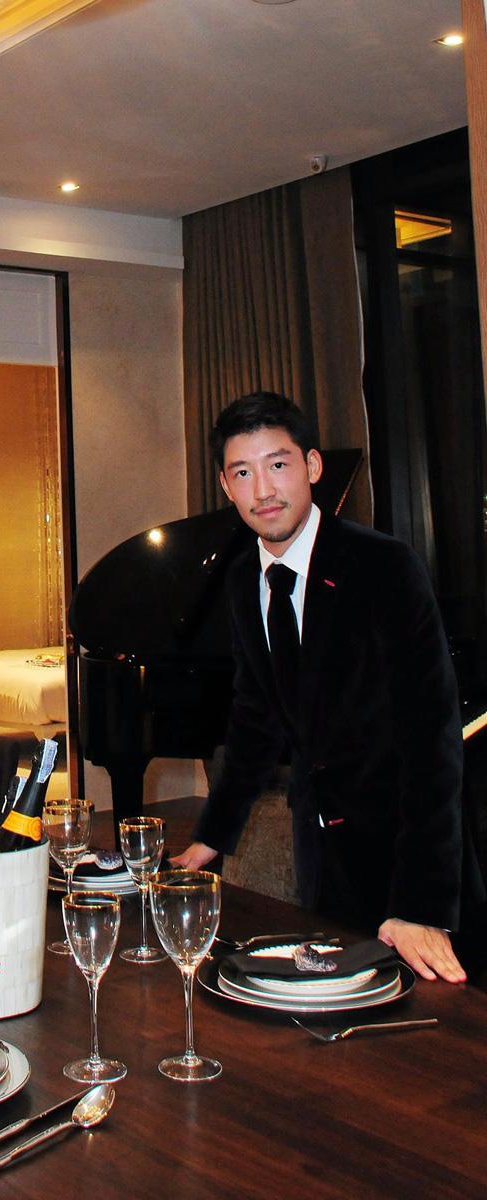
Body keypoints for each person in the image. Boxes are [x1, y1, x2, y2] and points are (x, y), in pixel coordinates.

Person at [174, 391, 481, 984]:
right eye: (244, 472)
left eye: (278, 464)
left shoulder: (384, 565)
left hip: (405, 858)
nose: (264, 489)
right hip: (323, 861)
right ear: (226, 486)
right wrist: (213, 834)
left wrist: (420, 904)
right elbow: (256, 716)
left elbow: (432, 740)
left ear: (312, 466)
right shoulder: (241, 580)